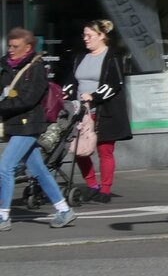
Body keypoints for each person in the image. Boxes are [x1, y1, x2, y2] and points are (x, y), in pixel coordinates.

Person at [0, 27, 75, 230]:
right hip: (15, 124)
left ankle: (3, 216)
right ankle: (64, 210)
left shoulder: (36, 69)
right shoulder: (7, 67)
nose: (11, 50)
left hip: (29, 124)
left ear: (28, 48)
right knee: (38, 170)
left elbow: (28, 99)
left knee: (5, 167)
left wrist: (2, 106)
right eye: (9, 46)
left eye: (15, 46)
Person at [61, 19, 132, 204]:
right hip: (81, 111)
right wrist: (65, 92)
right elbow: (72, 79)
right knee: (79, 149)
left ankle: (105, 189)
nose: (85, 39)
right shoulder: (81, 57)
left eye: (89, 35)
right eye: (84, 35)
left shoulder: (112, 57)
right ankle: (92, 185)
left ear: (102, 36)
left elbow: (115, 83)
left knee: (104, 151)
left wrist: (94, 96)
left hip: (103, 111)